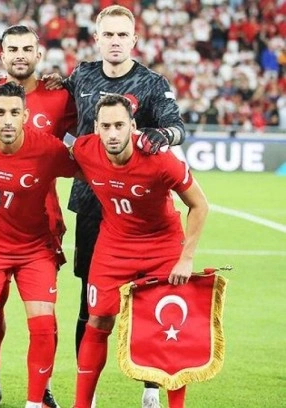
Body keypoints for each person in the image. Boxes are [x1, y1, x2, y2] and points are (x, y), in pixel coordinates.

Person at [58, 6, 186, 407]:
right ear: (97, 39)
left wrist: (160, 136)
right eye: (108, 34)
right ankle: (88, 393)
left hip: (140, 208)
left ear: (134, 40)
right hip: (92, 202)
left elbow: (177, 127)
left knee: (150, 302)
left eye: (122, 35)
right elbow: (52, 108)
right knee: (90, 302)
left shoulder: (152, 83)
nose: (115, 41)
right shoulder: (81, 76)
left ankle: (150, 388)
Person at [70, 94, 207, 408]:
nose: (113, 133)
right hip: (114, 247)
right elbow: (50, 162)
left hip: (162, 246)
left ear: (133, 126)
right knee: (98, 321)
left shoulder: (160, 159)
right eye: (106, 126)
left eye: (119, 125)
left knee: (168, 327)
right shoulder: (84, 150)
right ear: (96, 128)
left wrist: (186, 258)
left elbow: (200, 205)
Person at [0, 24, 77, 408]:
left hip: (43, 225)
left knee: (42, 315)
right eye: (12, 49)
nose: (19, 55)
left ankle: (41, 391)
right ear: (2, 55)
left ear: (38, 54)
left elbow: (84, 141)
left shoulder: (60, 96)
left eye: (27, 49)